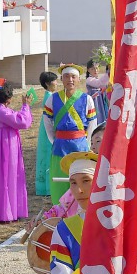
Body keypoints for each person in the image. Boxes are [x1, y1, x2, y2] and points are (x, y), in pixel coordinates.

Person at [43, 65, 97, 204]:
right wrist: (54, 140)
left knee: (81, 182)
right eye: (66, 76)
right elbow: (47, 122)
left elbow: (92, 123)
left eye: (73, 77)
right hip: (59, 146)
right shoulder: (53, 99)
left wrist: (88, 142)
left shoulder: (87, 99)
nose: (70, 80)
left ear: (79, 80)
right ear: (61, 79)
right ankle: (59, 212)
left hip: (80, 147)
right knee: (59, 184)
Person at [0, 87, 33, 222]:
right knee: (5, 176)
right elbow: (22, 122)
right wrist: (25, 105)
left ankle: (12, 209)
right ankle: (4, 212)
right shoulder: (1, 111)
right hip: (5, 146)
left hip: (8, 144)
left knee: (11, 175)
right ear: (9, 98)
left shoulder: (3, 110)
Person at [34, 71, 59, 196]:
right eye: (54, 80)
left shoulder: (49, 95)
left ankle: (44, 186)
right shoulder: (50, 97)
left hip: (45, 126)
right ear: (47, 84)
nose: (56, 83)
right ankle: (49, 186)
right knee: (49, 154)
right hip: (48, 127)